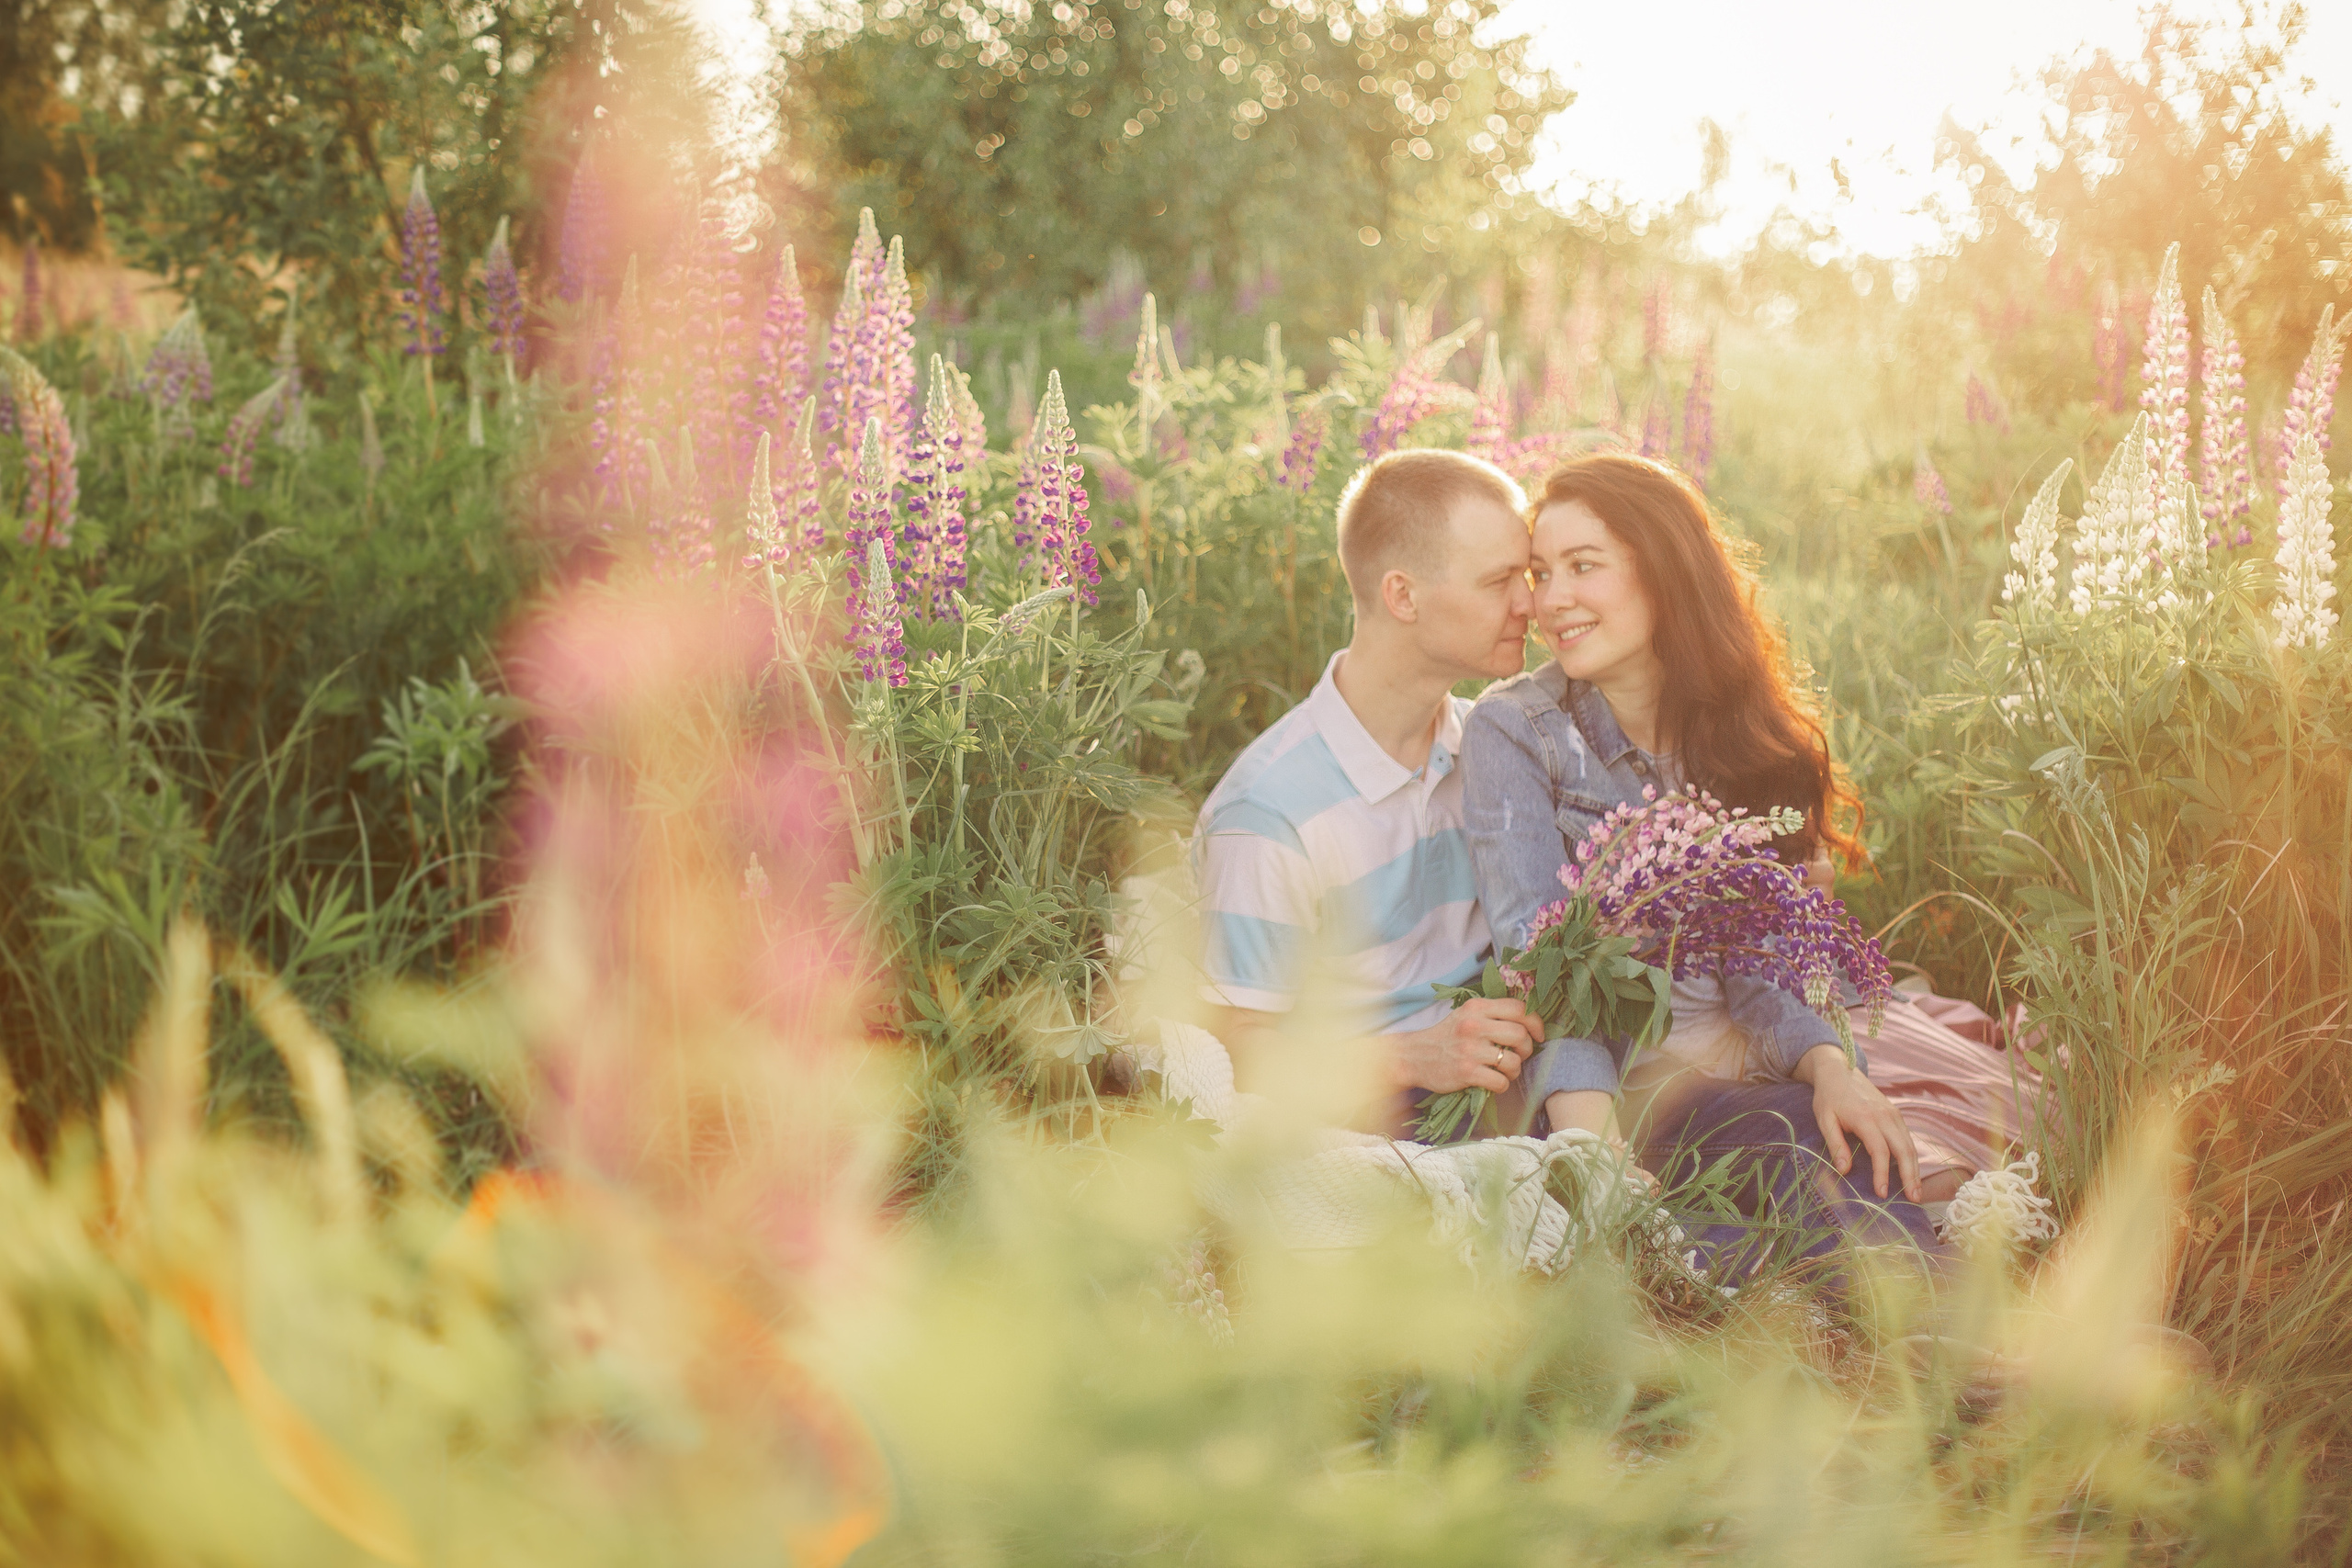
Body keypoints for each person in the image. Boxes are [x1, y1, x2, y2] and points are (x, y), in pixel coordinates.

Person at [1462, 451, 2042, 1252]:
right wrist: (1598, 1163)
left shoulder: (1735, 732)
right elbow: (1544, 966)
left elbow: (1768, 966)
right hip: (1614, 1097)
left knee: (1846, 1138)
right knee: (1804, 1161)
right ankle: (1929, 1317)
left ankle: (1934, 1303)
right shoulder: (1517, 731)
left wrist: (1832, 1067)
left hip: (1741, 1066)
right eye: (1540, 572)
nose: (1550, 599)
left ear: (1663, 570)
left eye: (1582, 566)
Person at [1195, 448, 1622, 1139]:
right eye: (1500, 581)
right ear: (1402, 596)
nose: (1531, 603)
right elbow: (1235, 1050)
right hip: (1377, 1123)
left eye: (1528, 577)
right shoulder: (1270, 811)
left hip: (1526, 1078)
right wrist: (1411, 1056)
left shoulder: (1495, 746)